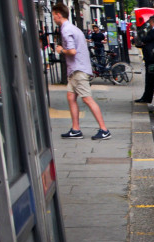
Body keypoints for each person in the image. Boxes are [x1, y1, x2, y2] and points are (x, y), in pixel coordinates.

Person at [51, 3, 110, 140]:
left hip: (78, 70)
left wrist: (61, 50)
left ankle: (104, 129)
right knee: (71, 97)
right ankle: (75, 129)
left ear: (59, 15)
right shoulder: (73, 28)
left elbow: (72, 51)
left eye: (54, 15)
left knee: (87, 99)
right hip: (76, 70)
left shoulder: (66, 30)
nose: (53, 18)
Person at [135, 13, 154, 103]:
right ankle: (146, 97)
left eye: (149, 22)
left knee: (149, 80)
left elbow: (144, 39)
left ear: (152, 22)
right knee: (150, 80)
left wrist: (144, 42)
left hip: (151, 58)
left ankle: (147, 98)